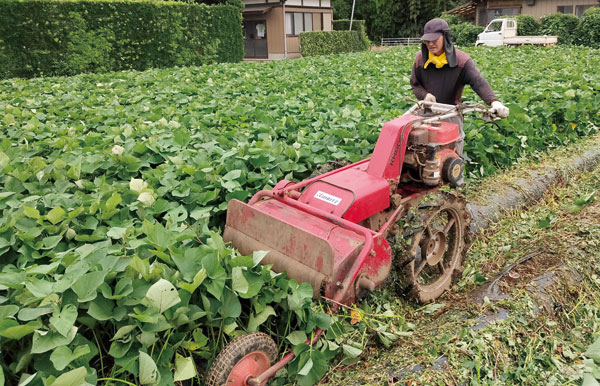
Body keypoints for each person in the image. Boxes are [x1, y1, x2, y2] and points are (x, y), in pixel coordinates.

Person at [410, 18, 509, 156]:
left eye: (435, 40)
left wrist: (494, 102)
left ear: (445, 38)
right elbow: (415, 84)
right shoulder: (421, 59)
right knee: (419, 153)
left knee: (452, 157)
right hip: (425, 114)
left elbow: (478, 82)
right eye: (427, 41)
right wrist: (425, 95)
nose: (430, 44)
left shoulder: (462, 61)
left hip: (451, 114)